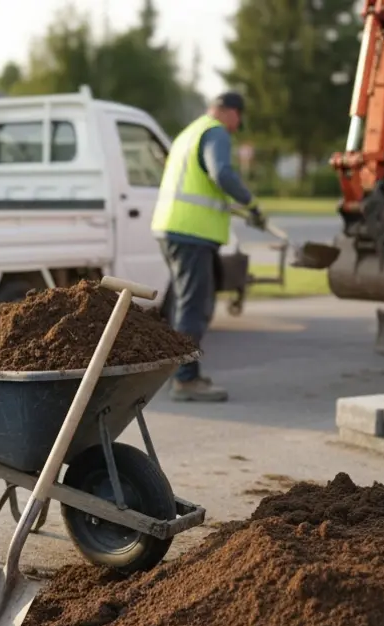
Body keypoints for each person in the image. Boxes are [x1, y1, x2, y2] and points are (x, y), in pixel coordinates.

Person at [151, 91, 265, 403]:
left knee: (180, 305)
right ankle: (186, 380)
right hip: (190, 233)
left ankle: (180, 372)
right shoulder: (215, 132)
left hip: (171, 227)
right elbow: (221, 173)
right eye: (238, 118)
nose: (237, 125)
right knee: (194, 306)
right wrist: (250, 202)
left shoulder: (189, 132)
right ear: (230, 112)